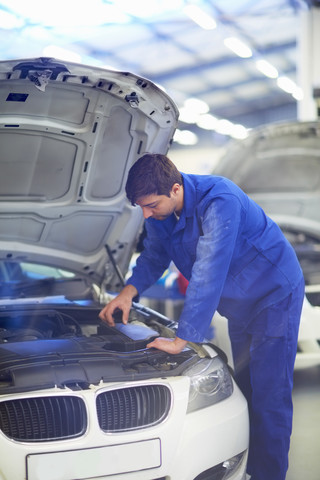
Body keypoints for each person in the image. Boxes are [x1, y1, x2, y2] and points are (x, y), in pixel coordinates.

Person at [99, 153, 304, 480]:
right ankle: (253, 469)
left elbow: (210, 269)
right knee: (249, 388)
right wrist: (127, 292)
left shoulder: (219, 201)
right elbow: (154, 256)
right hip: (240, 302)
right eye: (141, 207)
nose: (146, 214)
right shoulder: (160, 214)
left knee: (270, 395)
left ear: (176, 188)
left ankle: (270, 474)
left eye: (151, 206)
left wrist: (183, 338)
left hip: (273, 295)